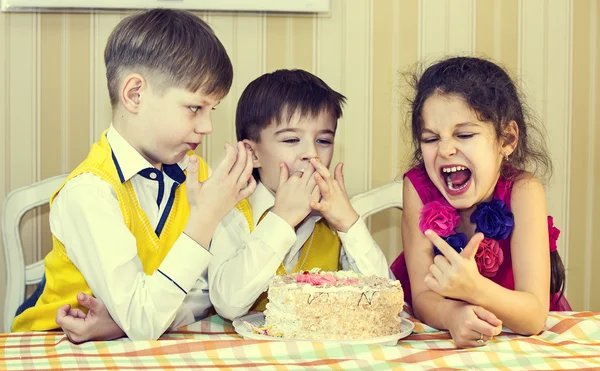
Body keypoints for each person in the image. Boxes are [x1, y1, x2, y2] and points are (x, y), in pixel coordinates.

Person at [11, 8, 256, 342]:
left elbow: (208, 293)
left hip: (144, 352)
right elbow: (143, 321)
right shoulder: (89, 193)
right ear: (134, 94)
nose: (207, 126)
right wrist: (205, 218)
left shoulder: (197, 176)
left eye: (212, 110)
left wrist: (122, 323)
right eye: (195, 108)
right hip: (51, 352)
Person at [390, 56, 571, 348]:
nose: (446, 149)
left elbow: (535, 315)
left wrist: (475, 289)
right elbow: (423, 296)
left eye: (464, 134)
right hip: (438, 341)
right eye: (431, 138)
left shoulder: (524, 192)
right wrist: (453, 316)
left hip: (519, 344)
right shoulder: (417, 187)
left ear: (507, 139)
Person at [208, 69, 391, 320]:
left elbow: (384, 301)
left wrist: (349, 224)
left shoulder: (334, 219)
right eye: (292, 140)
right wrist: (281, 221)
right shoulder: (233, 213)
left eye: (324, 141)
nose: (311, 153)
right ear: (253, 154)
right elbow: (228, 304)